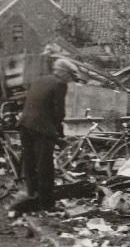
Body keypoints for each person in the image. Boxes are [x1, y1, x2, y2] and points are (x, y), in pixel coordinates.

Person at [11, 58, 79, 213]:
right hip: (41, 128)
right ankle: (46, 205)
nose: (70, 80)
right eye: (70, 76)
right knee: (45, 167)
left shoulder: (40, 80)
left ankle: (32, 195)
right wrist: (57, 131)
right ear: (63, 72)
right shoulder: (60, 84)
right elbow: (59, 112)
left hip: (25, 125)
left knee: (30, 162)